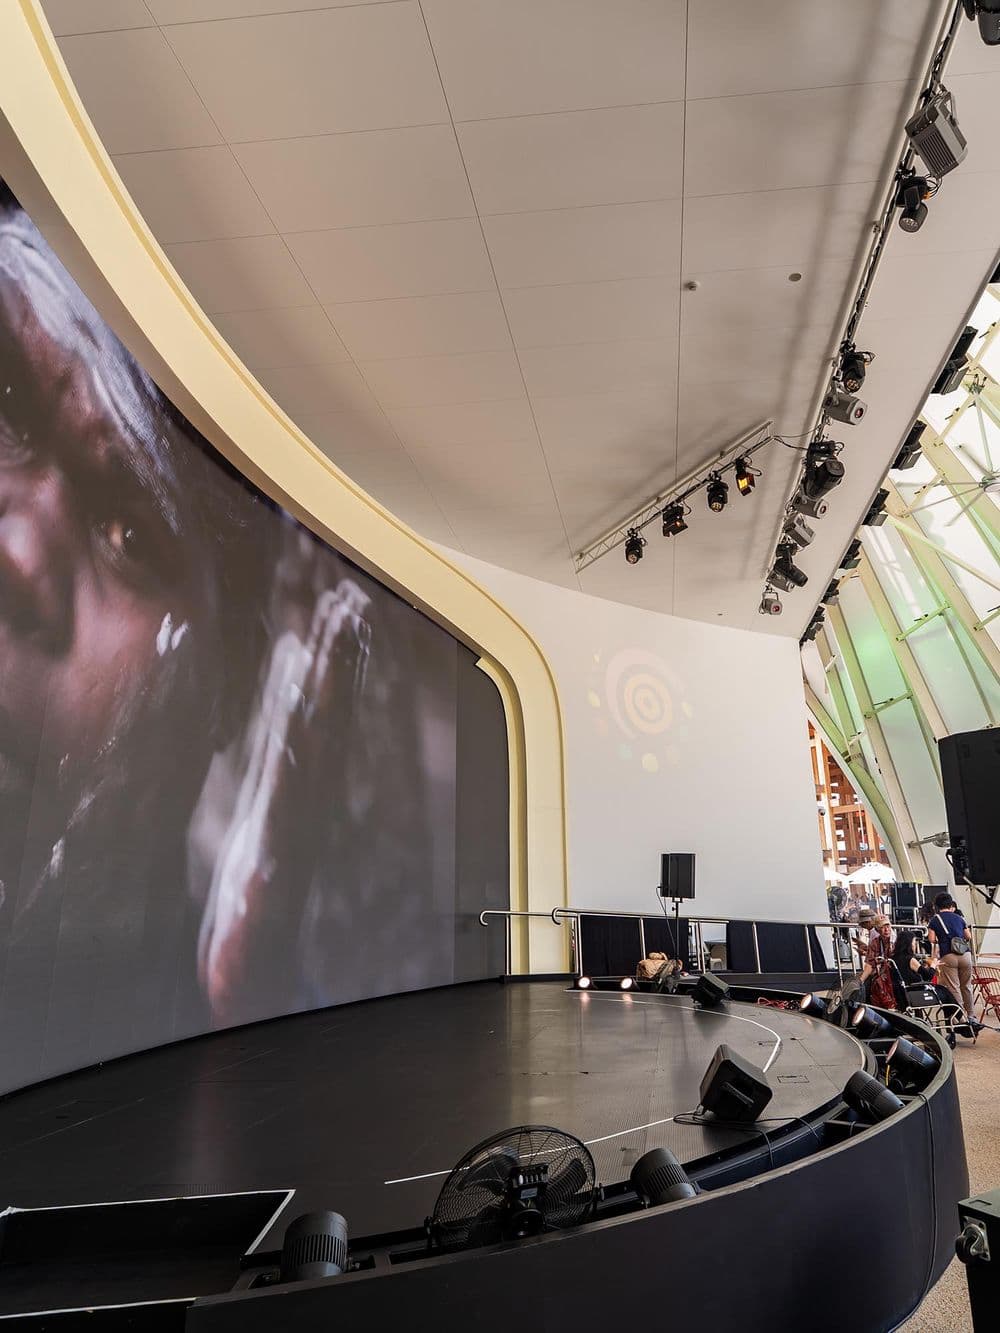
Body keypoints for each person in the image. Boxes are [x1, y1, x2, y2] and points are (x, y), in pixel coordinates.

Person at [0, 180, 449, 1086]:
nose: (15, 549)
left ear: (228, 687)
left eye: (130, 531)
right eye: (4, 406)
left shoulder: (274, 1047)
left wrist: (233, 1085)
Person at [927, 895, 981, 1033]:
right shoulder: (959, 917)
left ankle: (961, 1018)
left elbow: (931, 939)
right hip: (965, 955)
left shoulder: (935, 920)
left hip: (948, 956)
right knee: (967, 986)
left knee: (954, 988)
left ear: (937, 906)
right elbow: (968, 936)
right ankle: (972, 1016)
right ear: (950, 904)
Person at [859, 915, 898, 1010]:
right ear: (877, 930)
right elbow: (869, 965)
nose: (886, 929)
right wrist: (860, 980)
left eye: (888, 926)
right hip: (881, 975)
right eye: (882, 927)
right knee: (866, 987)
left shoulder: (897, 940)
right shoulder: (875, 942)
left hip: (896, 974)